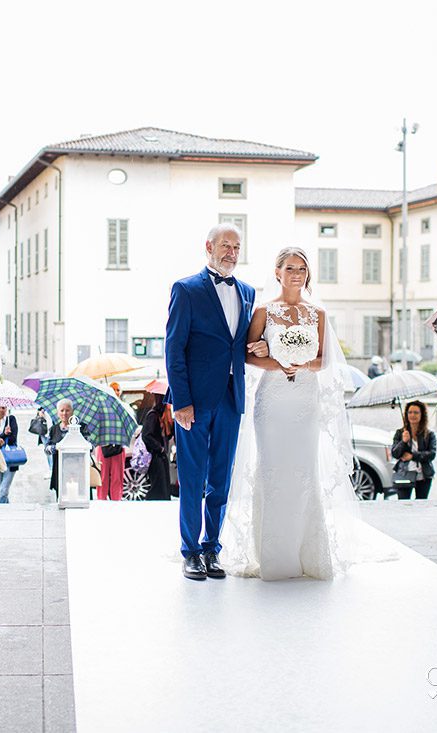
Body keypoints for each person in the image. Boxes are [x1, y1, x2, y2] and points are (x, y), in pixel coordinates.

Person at [220, 246, 367, 581]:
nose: (296, 274)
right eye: (290, 268)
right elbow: (247, 355)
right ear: (277, 272)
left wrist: (301, 364)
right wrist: (277, 361)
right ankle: (272, 555)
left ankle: (307, 553)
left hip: (304, 400)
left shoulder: (317, 314)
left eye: (302, 269)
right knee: (272, 469)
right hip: (272, 400)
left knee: (303, 471)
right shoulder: (263, 311)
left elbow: (323, 360)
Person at [164, 223, 267, 581]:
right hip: (193, 400)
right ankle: (190, 552)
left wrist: (265, 349)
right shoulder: (186, 289)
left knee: (221, 481)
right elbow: (174, 349)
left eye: (237, 247)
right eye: (226, 245)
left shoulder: (249, 292)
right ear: (208, 246)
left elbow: (243, 344)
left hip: (231, 399)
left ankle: (212, 549)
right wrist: (181, 401)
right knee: (192, 479)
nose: (231, 253)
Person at [391, 400, 437, 500]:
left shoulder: (429, 434)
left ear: (422, 415)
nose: (413, 415)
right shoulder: (400, 433)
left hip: (424, 475)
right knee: (404, 504)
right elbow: (395, 454)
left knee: (421, 505)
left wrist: (413, 456)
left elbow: (432, 454)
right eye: (410, 412)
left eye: (416, 412)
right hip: (404, 473)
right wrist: (403, 441)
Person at [46, 398, 91, 500]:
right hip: (60, 470)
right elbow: (47, 449)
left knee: (79, 500)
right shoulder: (54, 429)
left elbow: (90, 446)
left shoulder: (82, 428)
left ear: (72, 411)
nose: (64, 413)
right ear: (58, 413)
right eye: (62, 410)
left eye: (67, 410)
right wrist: (56, 447)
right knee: (62, 500)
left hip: (78, 471)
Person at [139, 392, 171, 501]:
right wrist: (159, 448)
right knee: (159, 485)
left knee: (163, 485)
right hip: (155, 456)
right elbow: (147, 435)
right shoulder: (152, 416)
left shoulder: (162, 417)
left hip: (161, 455)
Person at [0, 404, 19, 504]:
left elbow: (13, 438)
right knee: (1, 488)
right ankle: (7, 509)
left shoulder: (10, 419)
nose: (1, 410)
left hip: (10, 459)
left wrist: (7, 435)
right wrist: (4, 434)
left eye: (3, 408)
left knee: (3, 490)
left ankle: (0, 511)